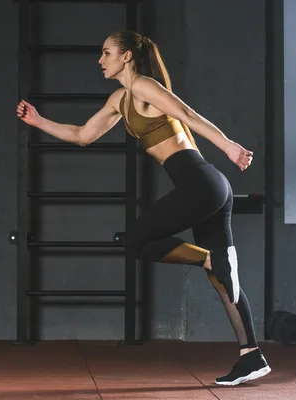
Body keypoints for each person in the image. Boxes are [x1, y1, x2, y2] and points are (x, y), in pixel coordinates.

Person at [16, 30, 271, 386]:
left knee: (138, 240)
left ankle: (211, 258)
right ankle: (251, 355)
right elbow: (83, 135)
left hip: (201, 184)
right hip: (204, 188)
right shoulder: (120, 99)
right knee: (223, 278)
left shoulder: (144, 86)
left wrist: (228, 146)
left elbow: (186, 113)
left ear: (127, 57)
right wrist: (39, 121)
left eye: (106, 52)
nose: (99, 59)